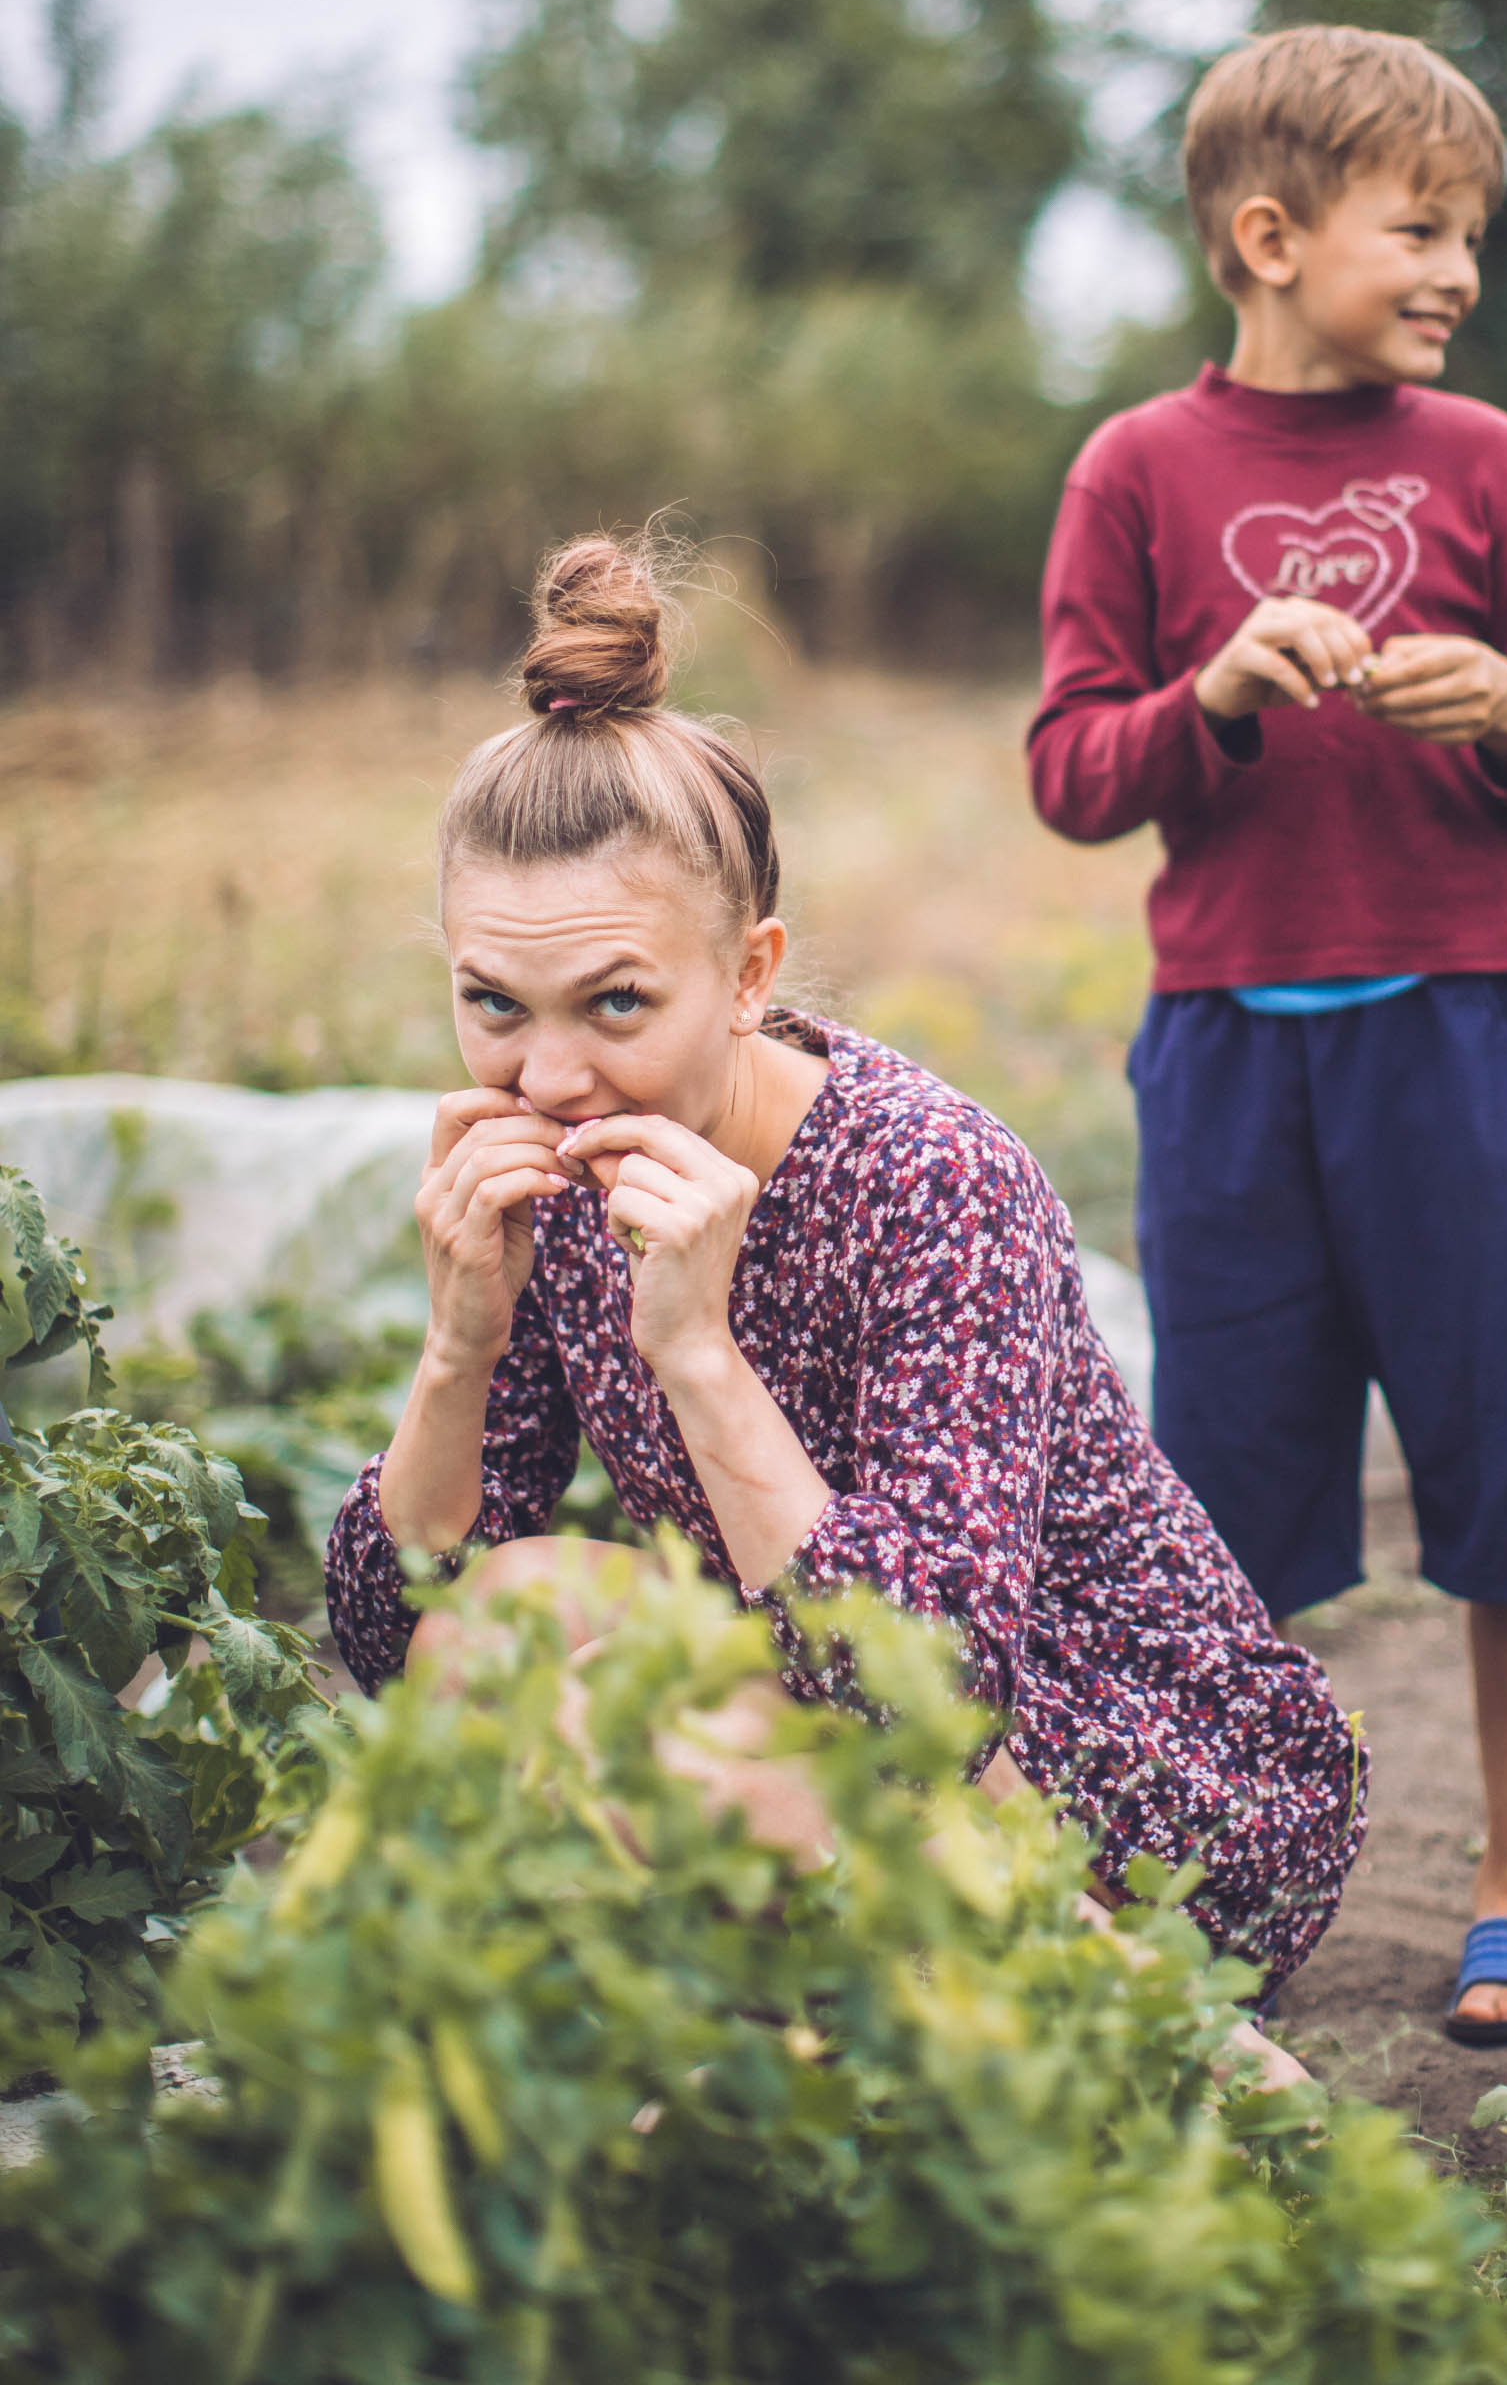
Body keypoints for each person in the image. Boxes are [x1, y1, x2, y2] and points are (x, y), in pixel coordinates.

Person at [324, 532, 1367, 2022]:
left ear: (752, 974)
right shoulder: (547, 1179)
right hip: (821, 1706)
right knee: (508, 1624)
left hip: (1134, 1777)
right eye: (492, 1002)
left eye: (617, 1002)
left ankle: (1156, 2030)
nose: (547, 1075)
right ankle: (849, 2023)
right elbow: (390, 1630)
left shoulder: (932, 1179)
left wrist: (697, 1353)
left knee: (621, 1752)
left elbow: (928, 1692)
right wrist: (460, 1346)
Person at [1026, 26, 1507, 2048]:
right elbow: (1073, 772)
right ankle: (1217, 1886)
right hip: (1226, 1053)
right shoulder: (1135, 471)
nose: (1459, 272)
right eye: (1421, 229)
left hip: (1462, 1026)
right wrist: (1215, 698)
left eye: (1474, 235)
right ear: (1265, 237)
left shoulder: (1492, 466)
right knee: (1220, 1488)